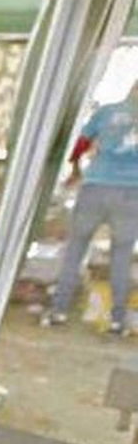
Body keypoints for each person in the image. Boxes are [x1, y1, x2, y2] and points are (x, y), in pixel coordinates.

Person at [44, 81, 138, 336]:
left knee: (75, 250)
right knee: (121, 256)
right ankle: (117, 321)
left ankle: (58, 311)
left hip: (95, 187)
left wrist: (75, 170)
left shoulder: (106, 112)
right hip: (131, 193)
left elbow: (80, 145)